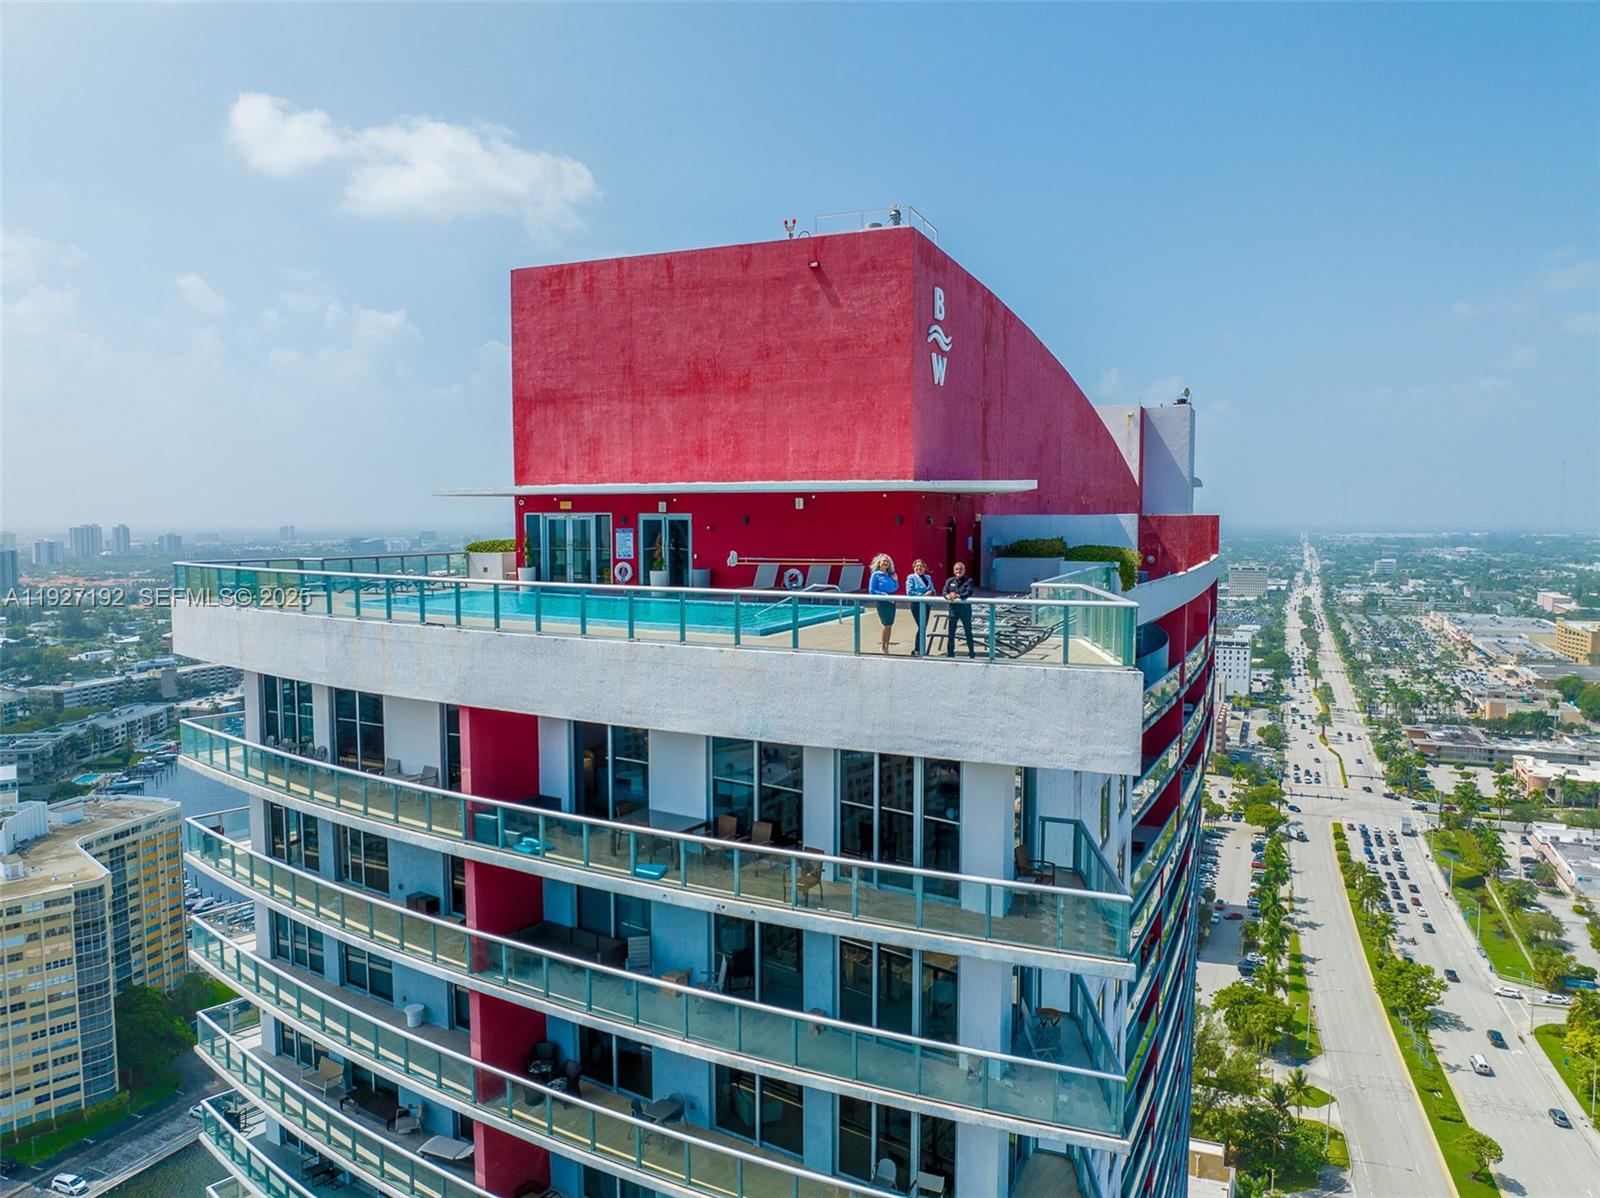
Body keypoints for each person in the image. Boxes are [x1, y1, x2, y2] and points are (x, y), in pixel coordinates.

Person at [942, 561, 975, 657]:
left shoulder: (969, 581)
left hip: (965, 610)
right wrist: (947, 596)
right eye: (956, 569)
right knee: (951, 632)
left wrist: (957, 595)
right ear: (954, 570)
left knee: (968, 632)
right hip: (953, 610)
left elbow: (968, 593)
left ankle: (972, 652)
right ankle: (950, 653)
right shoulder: (949, 581)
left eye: (960, 569)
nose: (958, 571)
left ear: (964, 570)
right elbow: (944, 591)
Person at [868, 554, 899, 653]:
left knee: (890, 624)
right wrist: (884, 595)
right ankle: (883, 647)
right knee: (886, 624)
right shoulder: (875, 575)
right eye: (883, 561)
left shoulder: (890, 575)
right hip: (882, 601)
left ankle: (887, 646)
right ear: (879, 563)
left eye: (887, 561)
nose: (885, 563)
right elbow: (872, 590)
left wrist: (895, 581)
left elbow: (895, 587)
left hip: (891, 600)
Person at [905, 559, 935, 655]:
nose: (919, 568)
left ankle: (919, 649)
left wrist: (931, 592)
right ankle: (918, 649)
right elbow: (909, 592)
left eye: (921, 566)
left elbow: (933, 589)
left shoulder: (928, 577)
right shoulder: (911, 577)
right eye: (917, 566)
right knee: (921, 627)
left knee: (923, 627)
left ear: (924, 568)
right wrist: (923, 595)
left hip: (926, 605)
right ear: (914, 568)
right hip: (917, 605)